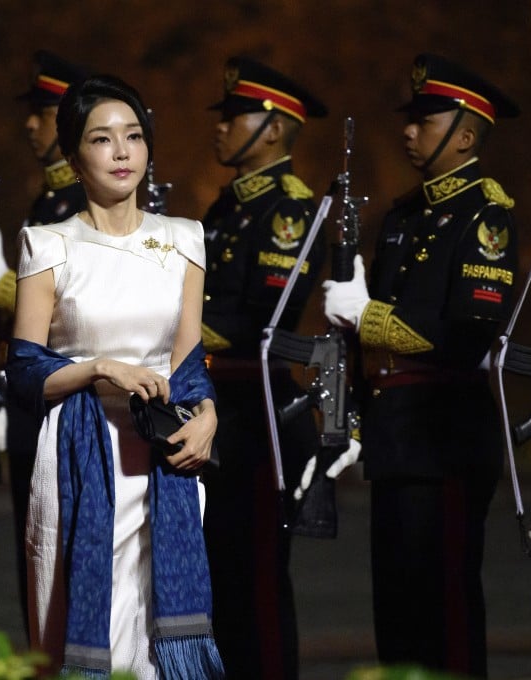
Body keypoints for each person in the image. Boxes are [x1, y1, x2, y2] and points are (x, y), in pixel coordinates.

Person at [6, 74, 223, 679]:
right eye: (103, 139)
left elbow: (188, 364)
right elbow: (23, 374)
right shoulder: (50, 244)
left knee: (156, 638)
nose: (122, 151)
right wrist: (98, 368)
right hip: (81, 456)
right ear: (75, 157)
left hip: (162, 459)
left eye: (134, 136)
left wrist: (207, 414)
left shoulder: (183, 240)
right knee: (83, 625)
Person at [322, 53, 520, 677]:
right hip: (397, 439)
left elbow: (465, 336)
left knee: (447, 623)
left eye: (425, 120)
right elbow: (370, 337)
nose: (408, 130)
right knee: (399, 622)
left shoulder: (486, 217)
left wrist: (364, 315)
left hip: (446, 439)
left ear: (465, 134)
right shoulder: (405, 216)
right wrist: (351, 414)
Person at [197, 56, 328, 680]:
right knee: (221, 582)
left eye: (233, 116)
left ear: (273, 129)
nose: (219, 128)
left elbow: (257, 320)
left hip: (258, 419)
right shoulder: (228, 207)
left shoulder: (289, 210)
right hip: (217, 412)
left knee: (257, 586)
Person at [0, 48, 90, 635]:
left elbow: (78, 298)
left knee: (64, 552)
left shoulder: (84, 201)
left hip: (68, 398)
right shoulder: (49, 200)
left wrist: (6, 284)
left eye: (44, 113)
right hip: (35, 400)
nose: (31, 124)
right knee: (36, 553)